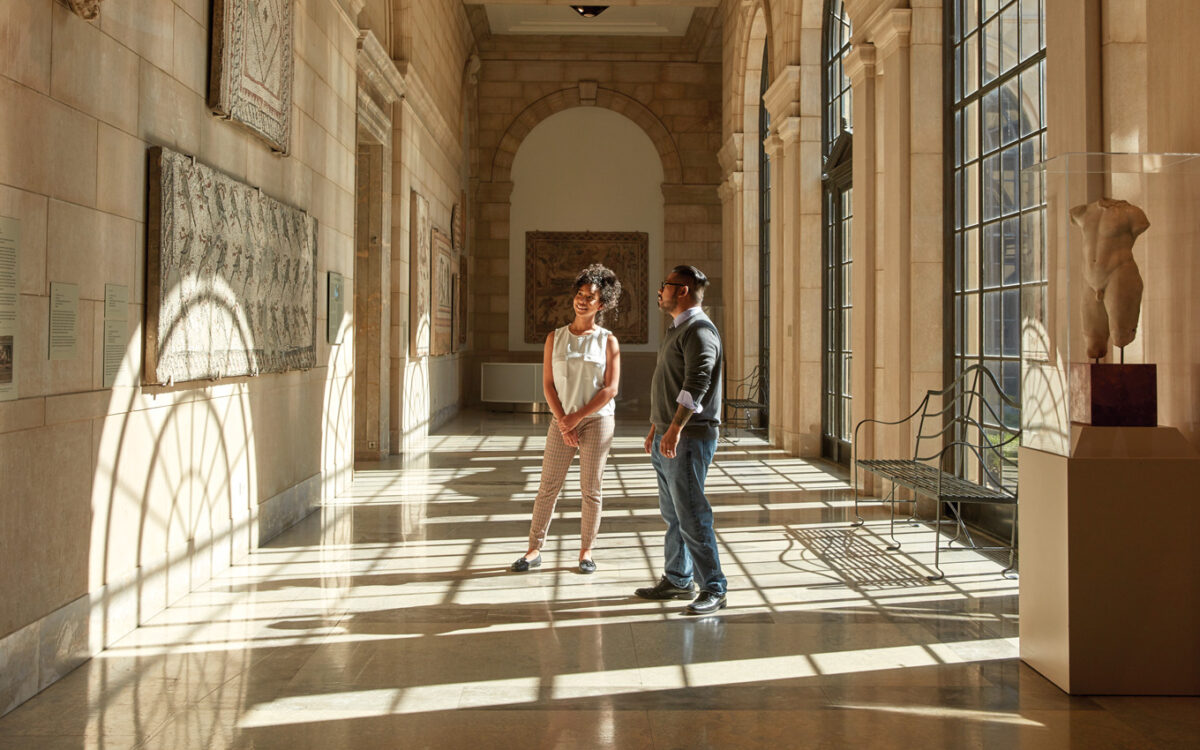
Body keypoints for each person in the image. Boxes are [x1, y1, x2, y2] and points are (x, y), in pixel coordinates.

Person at [512, 264, 622, 574]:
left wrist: (576, 418)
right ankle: (534, 549)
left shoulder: (608, 341)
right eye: (580, 294)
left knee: (591, 489)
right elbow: (548, 385)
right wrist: (564, 421)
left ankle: (586, 552)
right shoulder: (555, 337)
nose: (582, 301)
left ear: (601, 304)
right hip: (561, 420)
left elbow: (610, 389)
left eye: (590, 297)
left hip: (597, 420)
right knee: (548, 486)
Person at [634, 265, 727, 615]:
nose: (660, 291)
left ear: (682, 290)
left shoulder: (700, 330)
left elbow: (696, 384)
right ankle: (678, 578)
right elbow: (669, 383)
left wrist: (674, 429)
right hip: (669, 433)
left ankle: (714, 587)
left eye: (665, 285)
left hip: (688, 437)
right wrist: (657, 427)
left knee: (691, 514)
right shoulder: (678, 328)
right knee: (674, 513)